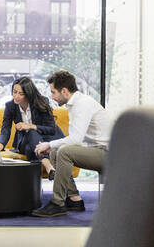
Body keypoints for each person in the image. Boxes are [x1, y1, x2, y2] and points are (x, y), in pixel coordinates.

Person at [32, 71, 111, 217]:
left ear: (64, 91)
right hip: (96, 150)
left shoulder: (82, 104)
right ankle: (74, 199)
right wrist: (52, 146)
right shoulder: (75, 104)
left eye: (53, 92)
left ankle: (57, 203)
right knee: (57, 151)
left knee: (64, 151)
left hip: (108, 155)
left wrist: (48, 144)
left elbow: (75, 139)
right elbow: (76, 139)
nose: (52, 96)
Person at [0, 77, 64, 179]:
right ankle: (48, 166)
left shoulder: (41, 102)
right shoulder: (10, 106)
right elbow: (5, 129)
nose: (16, 96)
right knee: (31, 135)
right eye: (14, 92)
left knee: (30, 148)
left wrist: (30, 126)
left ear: (28, 94)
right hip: (24, 141)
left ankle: (33, 188)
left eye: (21, 94)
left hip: (45, 141)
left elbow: (51, 129)